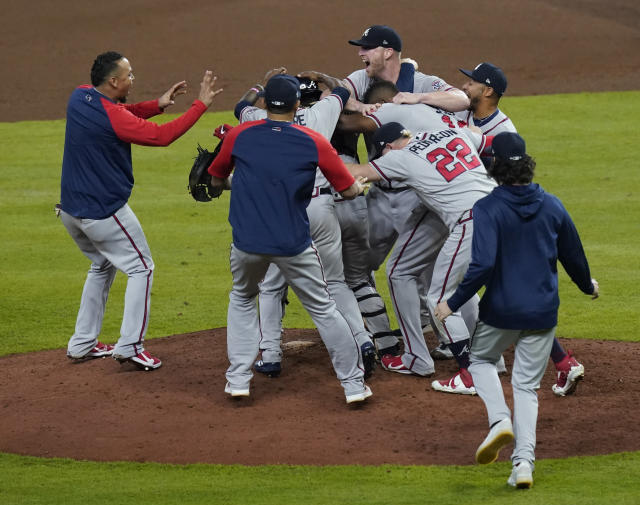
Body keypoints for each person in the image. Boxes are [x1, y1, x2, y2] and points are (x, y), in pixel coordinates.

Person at [434, 132, 599, 488]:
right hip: (542, 313)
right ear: (526, 164)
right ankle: (523, 465)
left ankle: (498, 421)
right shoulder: (553, 204)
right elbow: (574, 255)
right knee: (526, 387)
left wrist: (452, 302)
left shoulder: (488, 207)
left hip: (502, 311)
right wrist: (588, 287)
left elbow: (481, 266)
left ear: (493, 167)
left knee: (479, 361)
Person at [207, 74, 372, 404]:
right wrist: (358, 189)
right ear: (297, 105)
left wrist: (222, 184)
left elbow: (215, 180)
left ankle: (238, 380)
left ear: (265, 104)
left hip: (246, 243)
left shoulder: (239, 135)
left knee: (242, 297)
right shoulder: (314, 140)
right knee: (324, 309)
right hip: (293, 244)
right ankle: (353, 386)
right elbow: (348, 190)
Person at [60, 51, 222, 370]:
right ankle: (131, 345)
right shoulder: (111, 114)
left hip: (70, 211)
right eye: (129, 75)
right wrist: (200, 105)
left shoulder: (80, 97)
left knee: (101, 265)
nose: (133, 79)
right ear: (113, 81)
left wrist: (157, 105)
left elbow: (121, 114)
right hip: (103, 212)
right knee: (141, 268)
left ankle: (82, 343)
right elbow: (162, 137)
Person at [457, 62, 586, 395]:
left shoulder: (504, 131)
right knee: (505, 290)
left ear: (488, 90)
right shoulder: (469, 112)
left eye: (471, 82)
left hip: (498, 214)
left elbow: (510, 178)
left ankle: (478, 366)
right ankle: (563, 363)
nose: (465, 85)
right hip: (490, 212)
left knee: (499, 288)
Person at [345, 121, 496, 393]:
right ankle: (488, 358)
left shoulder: (398, 157)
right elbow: (482, 137)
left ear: (387, 148)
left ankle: (466, 371)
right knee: (486, 284)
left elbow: (358, 172)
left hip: (471, 220)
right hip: (501, 208)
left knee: (438, 296)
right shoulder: (449, 131)